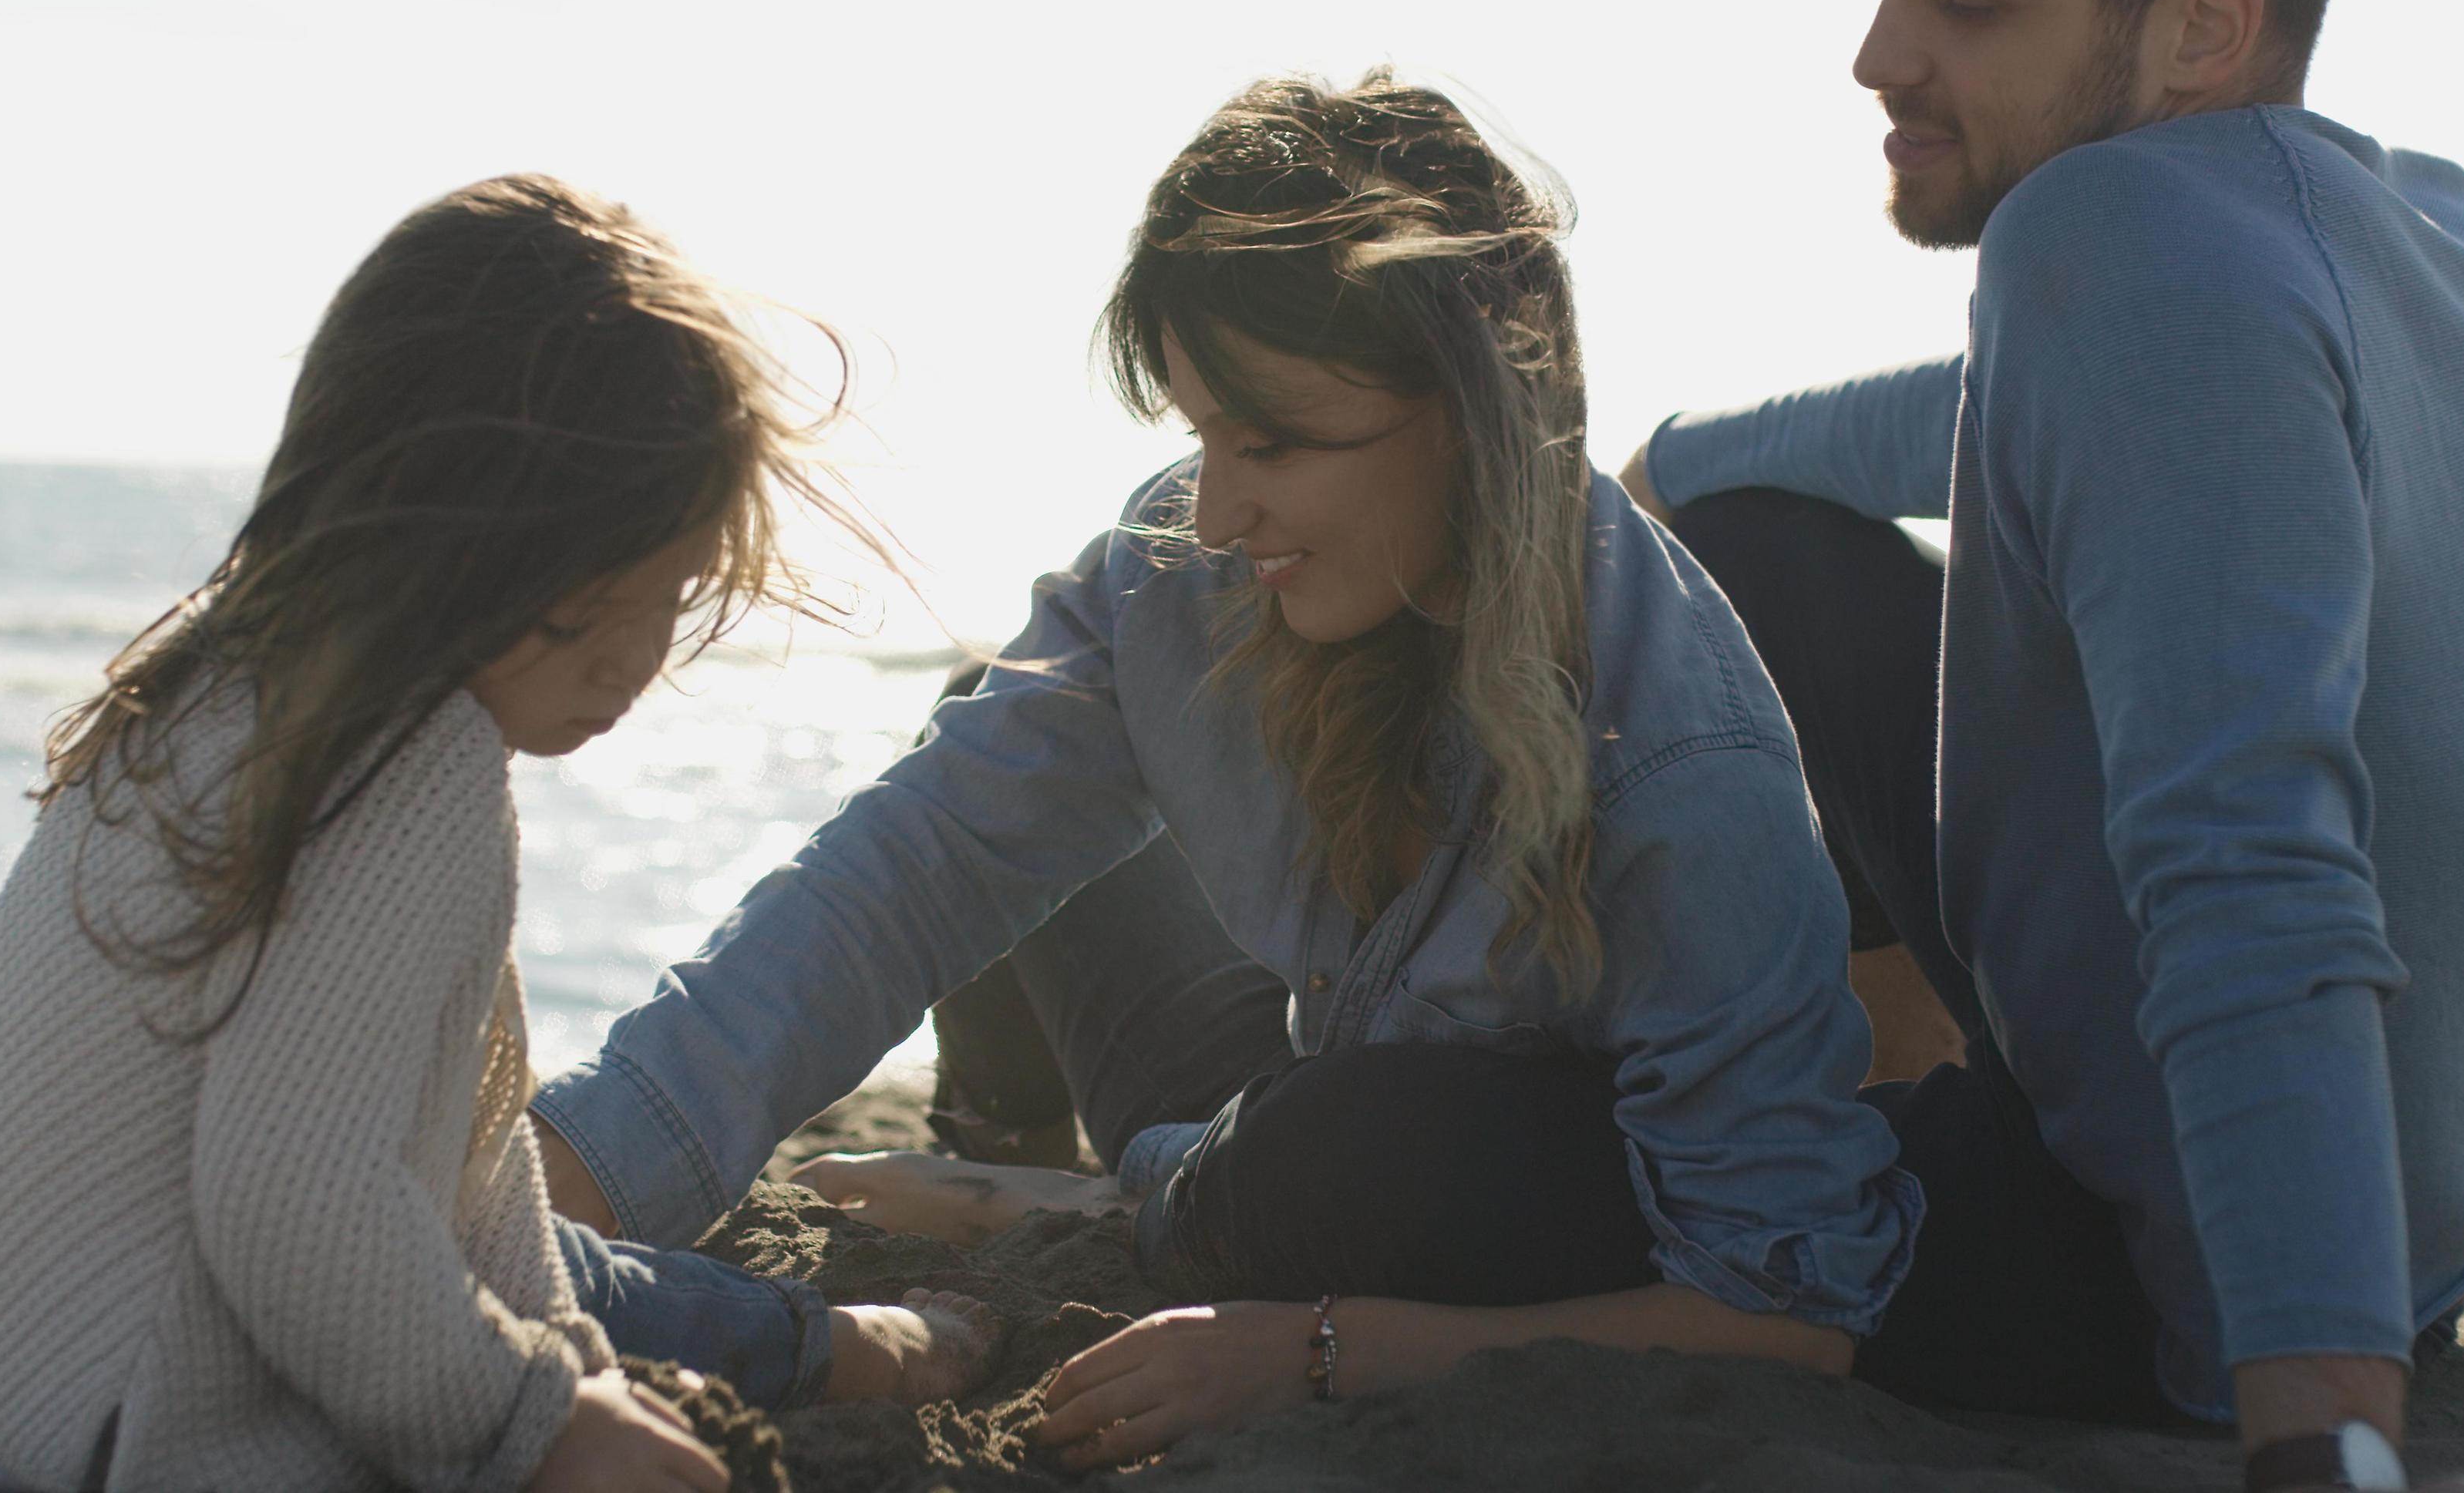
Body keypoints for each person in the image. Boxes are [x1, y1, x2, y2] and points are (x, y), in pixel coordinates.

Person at [526, 72, 1923, 1469]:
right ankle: (1007, 1149)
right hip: (1276, 1111)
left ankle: (1072, 1195)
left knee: (1364, 1151)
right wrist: (579, 1171)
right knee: (992, 732)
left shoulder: (1680, 766)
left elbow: (1785, 1315)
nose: (1215, 505)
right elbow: (914, 867)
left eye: (1276, 443)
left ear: (1482, 412)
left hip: (1406, 1196)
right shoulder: (1188, 578)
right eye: (1200, 431)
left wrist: (1319, 1354)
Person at [0, 174, 999, 1493]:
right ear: (459, 542)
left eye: (671, 595)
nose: (639, 656)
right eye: (594, 603)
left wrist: (554, 1368)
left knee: (560, 1289)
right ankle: (833, 1348)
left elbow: (470, 1170)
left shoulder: (233, 674)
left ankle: (816, 1346)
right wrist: (536, 1425)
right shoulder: (410, 770)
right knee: (530, 1323)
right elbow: (296, 1215)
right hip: (82, 1425)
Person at [1611, 0, 2464, 1488]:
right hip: (2437, 1209)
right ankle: (1898, 1089)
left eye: (1972, 5)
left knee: (1375, 1166)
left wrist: (2321, 1423)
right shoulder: (2441, 234)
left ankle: (1888, 1137)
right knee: (1749, 531)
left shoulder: (2109, 224)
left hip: (2198, 1265)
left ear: (2202, 27)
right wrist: (1678, 457)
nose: (1877, 56)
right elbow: (2024, 421)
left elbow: (2246, 841)